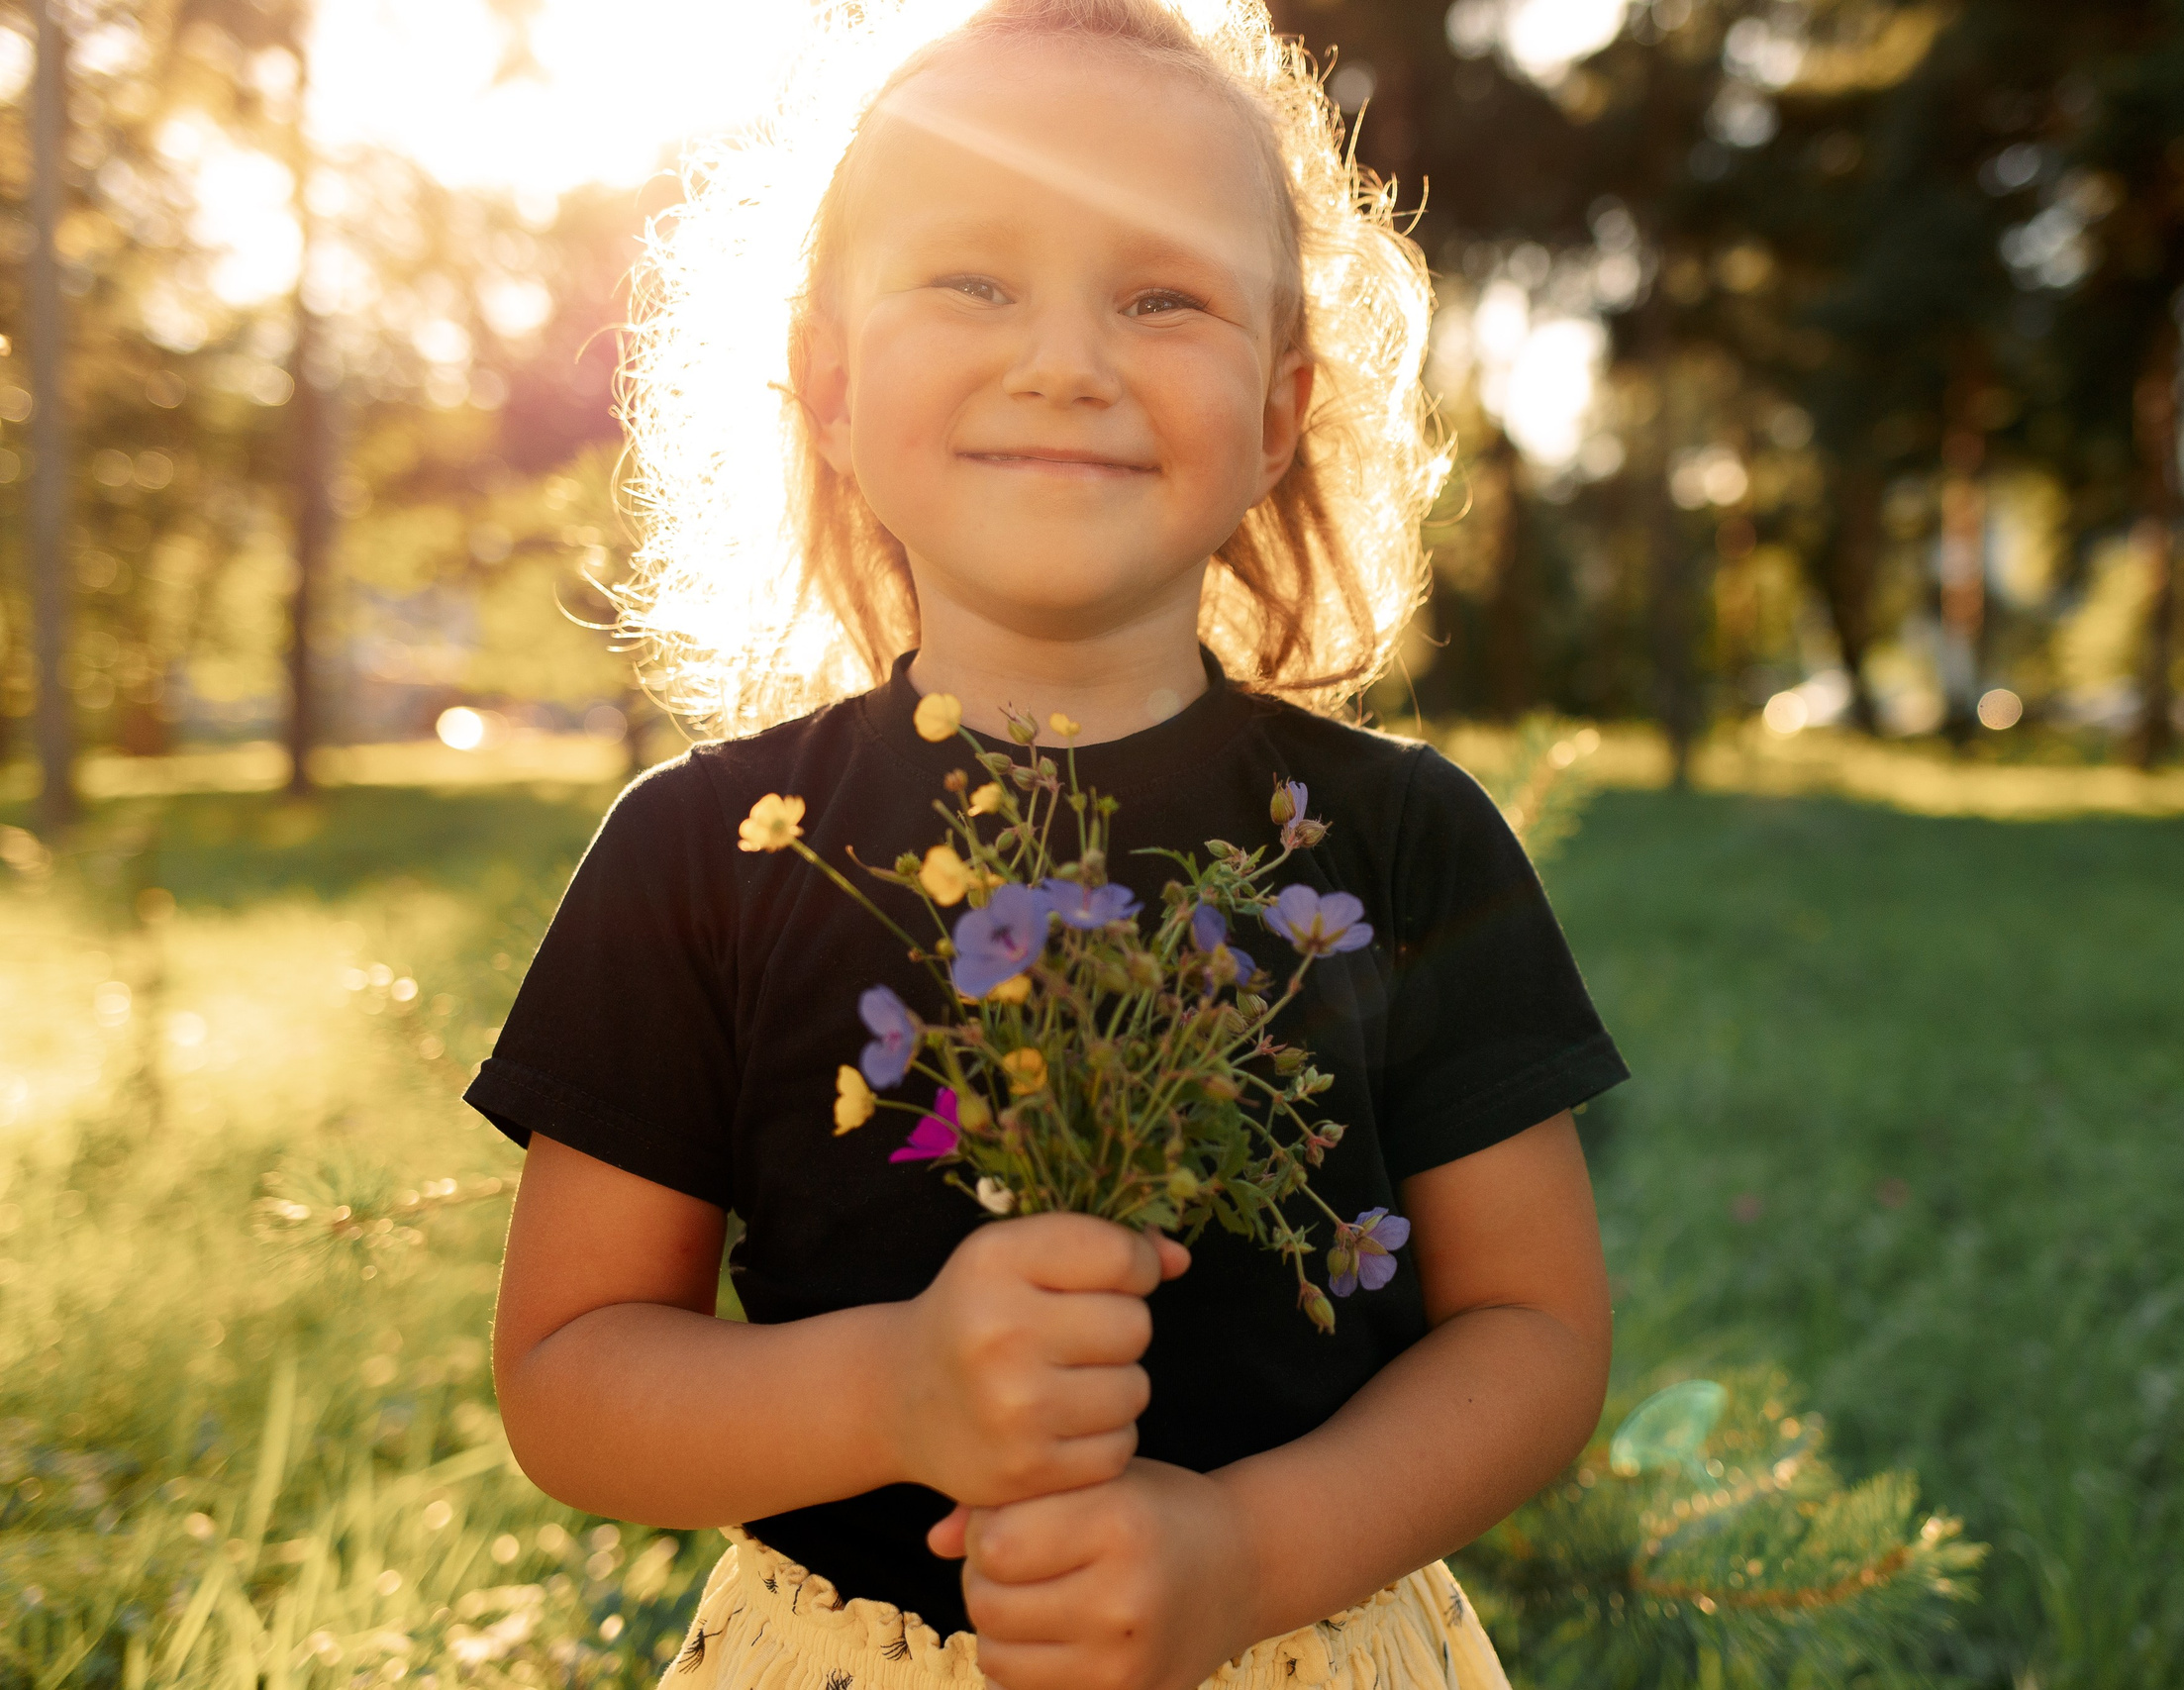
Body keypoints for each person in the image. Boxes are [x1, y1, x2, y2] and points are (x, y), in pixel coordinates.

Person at [471, 3, 1628, 1686]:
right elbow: (570, 1380)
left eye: (1163, 296)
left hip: (1300, 1645)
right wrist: (895, 1388)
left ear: (1279, 409)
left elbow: (1534, 1337)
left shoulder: (1401, 841)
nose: (1066, 359)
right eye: (976, 281)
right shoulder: (700, 854)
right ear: (832, 384)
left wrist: (1248, 1554)